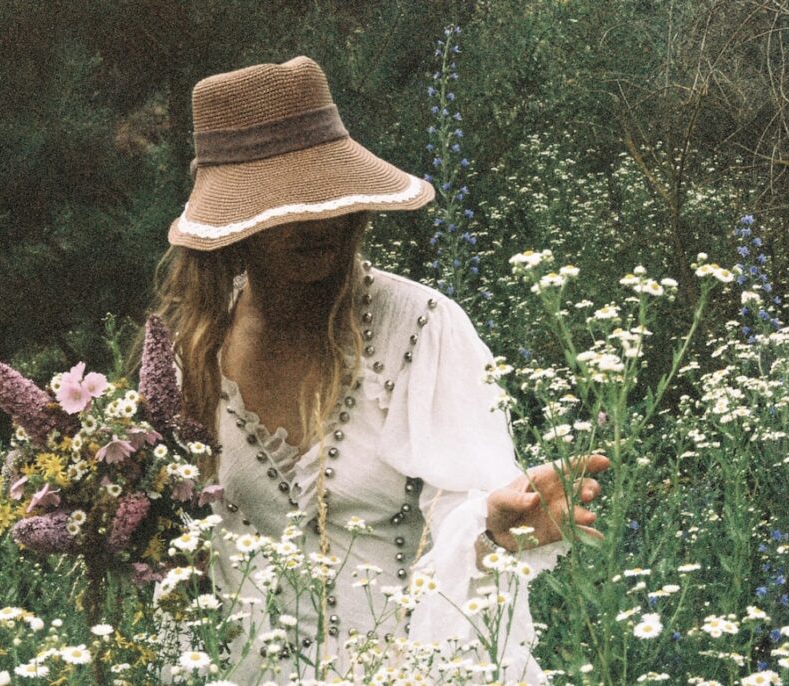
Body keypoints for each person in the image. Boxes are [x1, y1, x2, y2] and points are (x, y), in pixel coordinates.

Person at [143, 56, 609, 685]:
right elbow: (175, 544)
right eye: (287, 204)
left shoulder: (420, 327)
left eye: (331, 195)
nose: (322, 220)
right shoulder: (189, 353)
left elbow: (466, 503)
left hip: (409, 668)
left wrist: (492, 527)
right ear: (234, 224)